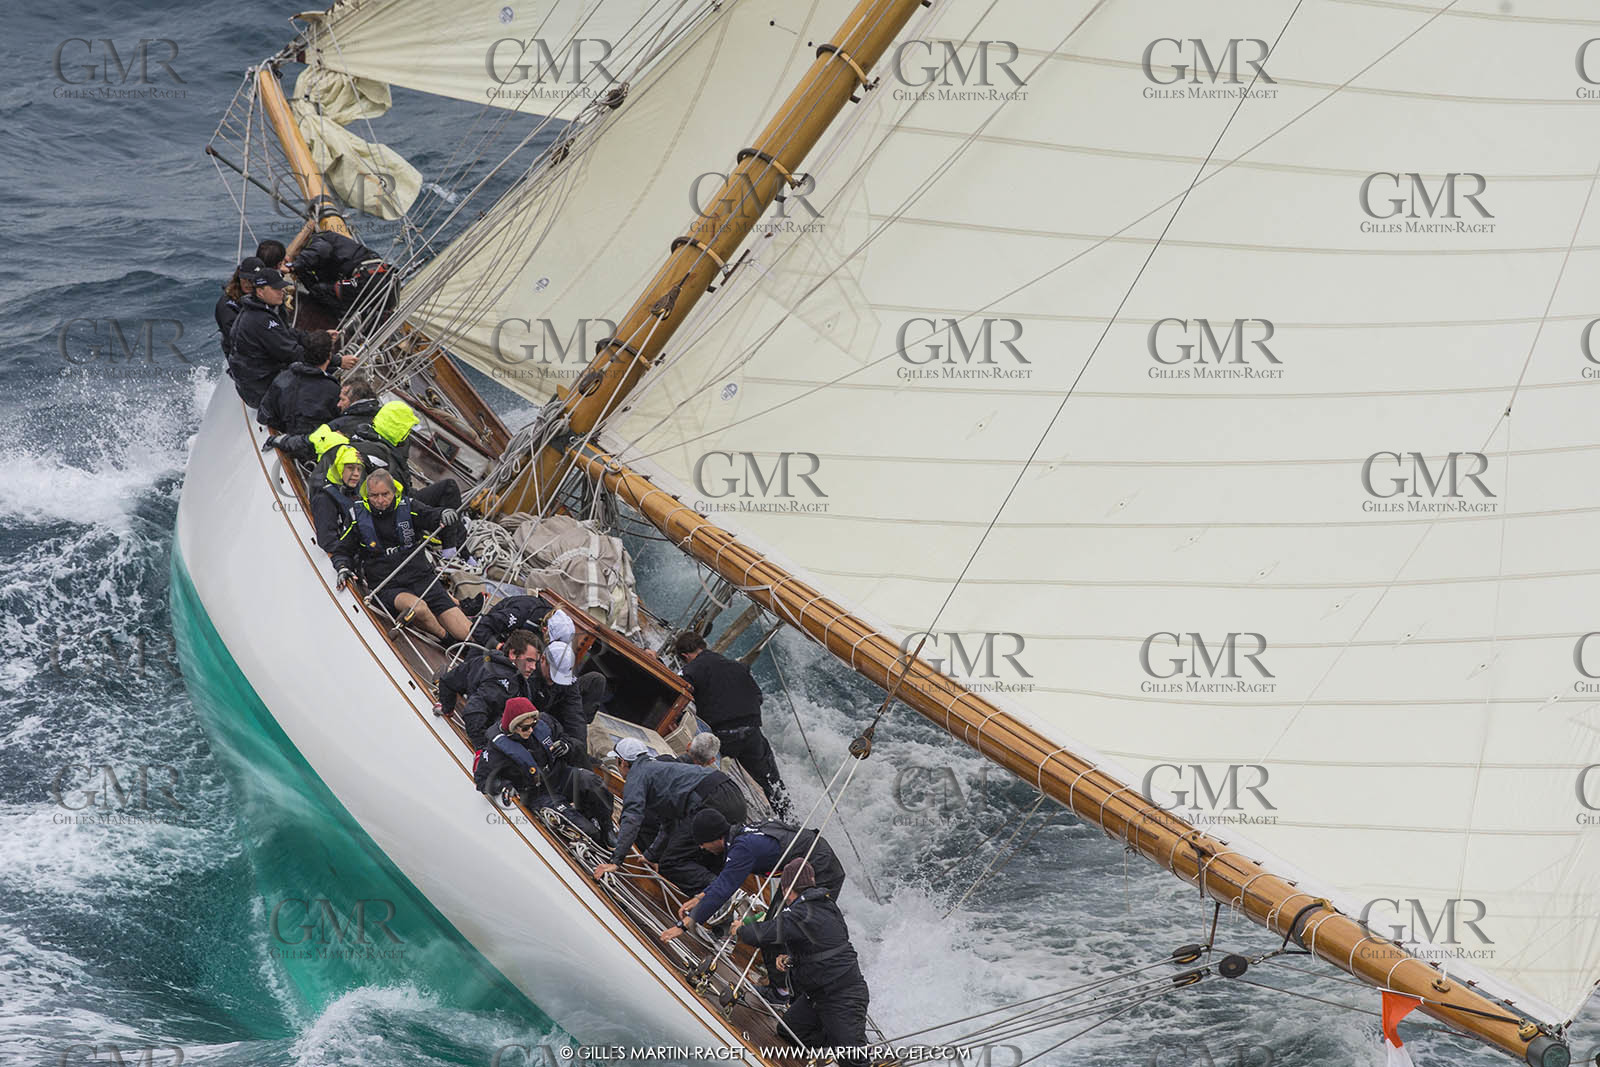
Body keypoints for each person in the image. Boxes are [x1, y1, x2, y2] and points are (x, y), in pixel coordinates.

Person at [737, 859, 871, 1058]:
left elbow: (759, 935)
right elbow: (822, 944)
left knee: (852, 1058)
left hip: (841, 996)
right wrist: (791, 958)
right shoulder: (827, 906)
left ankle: (857, 1047)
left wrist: (740, 929)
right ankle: (839, 1041)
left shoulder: (801, 913)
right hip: (818, 994)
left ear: (785, 889)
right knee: (789, 1032)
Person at [591, 737, 747, 893]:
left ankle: (722, 892)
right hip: (732, 794)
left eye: (617, 762)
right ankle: (728, 894)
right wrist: (651, 856)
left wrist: (616, 861)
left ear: (623, 762)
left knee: (671, 863)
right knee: (712, 856)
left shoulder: (636, 776)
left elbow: (632, 818)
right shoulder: (660, 769)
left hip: (710, 800)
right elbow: (668, 823)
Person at [663, 809, 846, 942]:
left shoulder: (743, 848)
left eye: (703, 843)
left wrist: (684, 925)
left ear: (716, 838)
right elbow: (725, 878)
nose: (702, 848)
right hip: (808, 860)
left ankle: (781, 981)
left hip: (821, 866)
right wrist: (700, 897)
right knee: (774, 921)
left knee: (784, 925)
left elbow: (724, 889)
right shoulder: (742, 834)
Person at [332, 469, 470, 642]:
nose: (380, 501)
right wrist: (342, 567)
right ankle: (446, 638)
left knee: (466, 632)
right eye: (374, 496)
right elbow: (342, 550)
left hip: (421, 577)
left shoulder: (409, 507)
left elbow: (431, 515)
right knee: (418, 609)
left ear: (394, 492)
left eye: (385, 494)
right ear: (367, 495)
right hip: (388, 585)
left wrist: (443, 513)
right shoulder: (357, 517)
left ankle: (471, 645)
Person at [674, 631, 790, 817]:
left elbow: (677, 692)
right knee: (771, 782)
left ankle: (709, 811)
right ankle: (789, 820)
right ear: (703, 646)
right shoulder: (738, 667)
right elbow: (758, 697)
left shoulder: (690, 670)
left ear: (685, 656)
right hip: (751, 733)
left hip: (721, 738)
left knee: (700, 766)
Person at [478, 697, 614, 846]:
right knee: (585, 829)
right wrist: (503, 786)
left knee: (592, 782)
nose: (531, 730)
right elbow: (482, 779)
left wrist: (566, 746)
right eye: (525, 728)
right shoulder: (496, 750)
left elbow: (564, 737)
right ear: (513, 727)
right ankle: (596, 839)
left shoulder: (545, 723)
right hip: (537, 794)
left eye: (533, 725)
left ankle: (607, 828)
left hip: (559, 776)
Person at [228, 268, 338, 407]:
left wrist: (315, 337)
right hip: (260, 390)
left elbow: (285, 333)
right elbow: (292, 353)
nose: (281, 292)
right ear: (260, 292)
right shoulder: (262, 320)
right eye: (276, 289)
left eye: (281, 288)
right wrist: (337, 361)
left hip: (258, 379)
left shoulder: (259, 309)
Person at [448, 629, 542, 748]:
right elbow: (473, 711)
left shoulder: (482, 661)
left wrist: (446, 708)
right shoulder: (507, 681)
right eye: (529, 660)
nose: (533, 667)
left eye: (535, 662)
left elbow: (448, 680)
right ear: (513, 654)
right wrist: (482, 748)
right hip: (485, 741)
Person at [290, 229, 395, 320]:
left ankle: (342, 320)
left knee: (319, 290)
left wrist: (295, 265)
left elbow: (322, 249)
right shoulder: (339, 244)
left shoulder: (317, 239)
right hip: (386, 279)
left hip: (366, 279)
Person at [257, 331, 340, 433]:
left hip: (288, 436)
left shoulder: (282, 377)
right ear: (329, 357)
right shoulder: (333, 390)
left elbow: (264, 414)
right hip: (311, 439)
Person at [309, 444, 365, 557]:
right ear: (339, 468)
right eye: (350, 468)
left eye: (359, 469)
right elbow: (328, 542)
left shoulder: (354, 491)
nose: (356, 474)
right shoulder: (324, 499)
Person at [215, 256, 262, 358]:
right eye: (244, 278)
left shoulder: (262, 297)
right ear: (238, 276)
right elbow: (236, 338)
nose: (247, 283)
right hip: (240, 355)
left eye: (251, 279)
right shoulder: (227, 305)